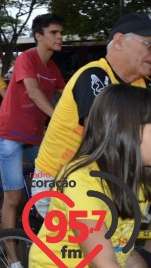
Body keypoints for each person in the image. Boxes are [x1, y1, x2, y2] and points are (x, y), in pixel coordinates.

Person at [27, 84, 151, 268]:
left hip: (108, 261)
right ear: (129, 131)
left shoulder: (140, 173)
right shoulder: (82, 180)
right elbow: (103, 264)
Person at [33, 12, 151, 216]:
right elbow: (105, 139)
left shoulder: (142, 84)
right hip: (59, 181)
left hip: (106, 178)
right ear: (120, 41)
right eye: (148, 44)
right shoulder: (94, 77)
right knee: (104, 244)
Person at [0, 13, 66, 268]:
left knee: (56, 181)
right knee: (13, 199)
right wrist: (60, 121)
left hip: (34, 138)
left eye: (61, 32)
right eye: (54, 32)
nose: (60, 37)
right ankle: (12, 259)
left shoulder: (53, 69)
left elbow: (67, 95)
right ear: (39, 35)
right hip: (9, 134)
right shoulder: (27, 59)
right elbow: (34, 93)